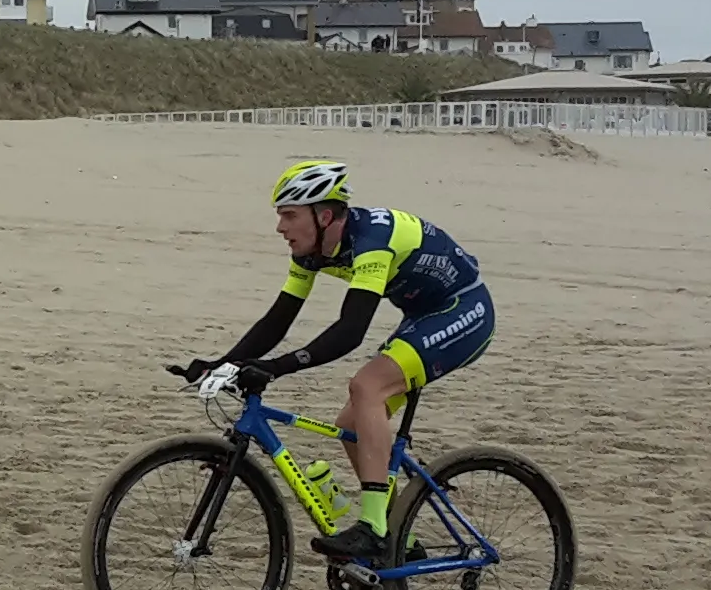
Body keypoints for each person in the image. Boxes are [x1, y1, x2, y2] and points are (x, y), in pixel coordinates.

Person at [180, 159, 495, 562]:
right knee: (351, 422)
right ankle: (399, 538)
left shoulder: (372, 241)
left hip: (464, 311)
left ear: (324, 215)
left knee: (367, 387)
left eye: (289, 216)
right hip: (421, 316)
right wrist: (221, 363)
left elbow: (350, 330)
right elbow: (279, 319)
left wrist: (277, 367)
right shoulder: (312, 252)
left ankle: (377, 529)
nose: (280, 228)